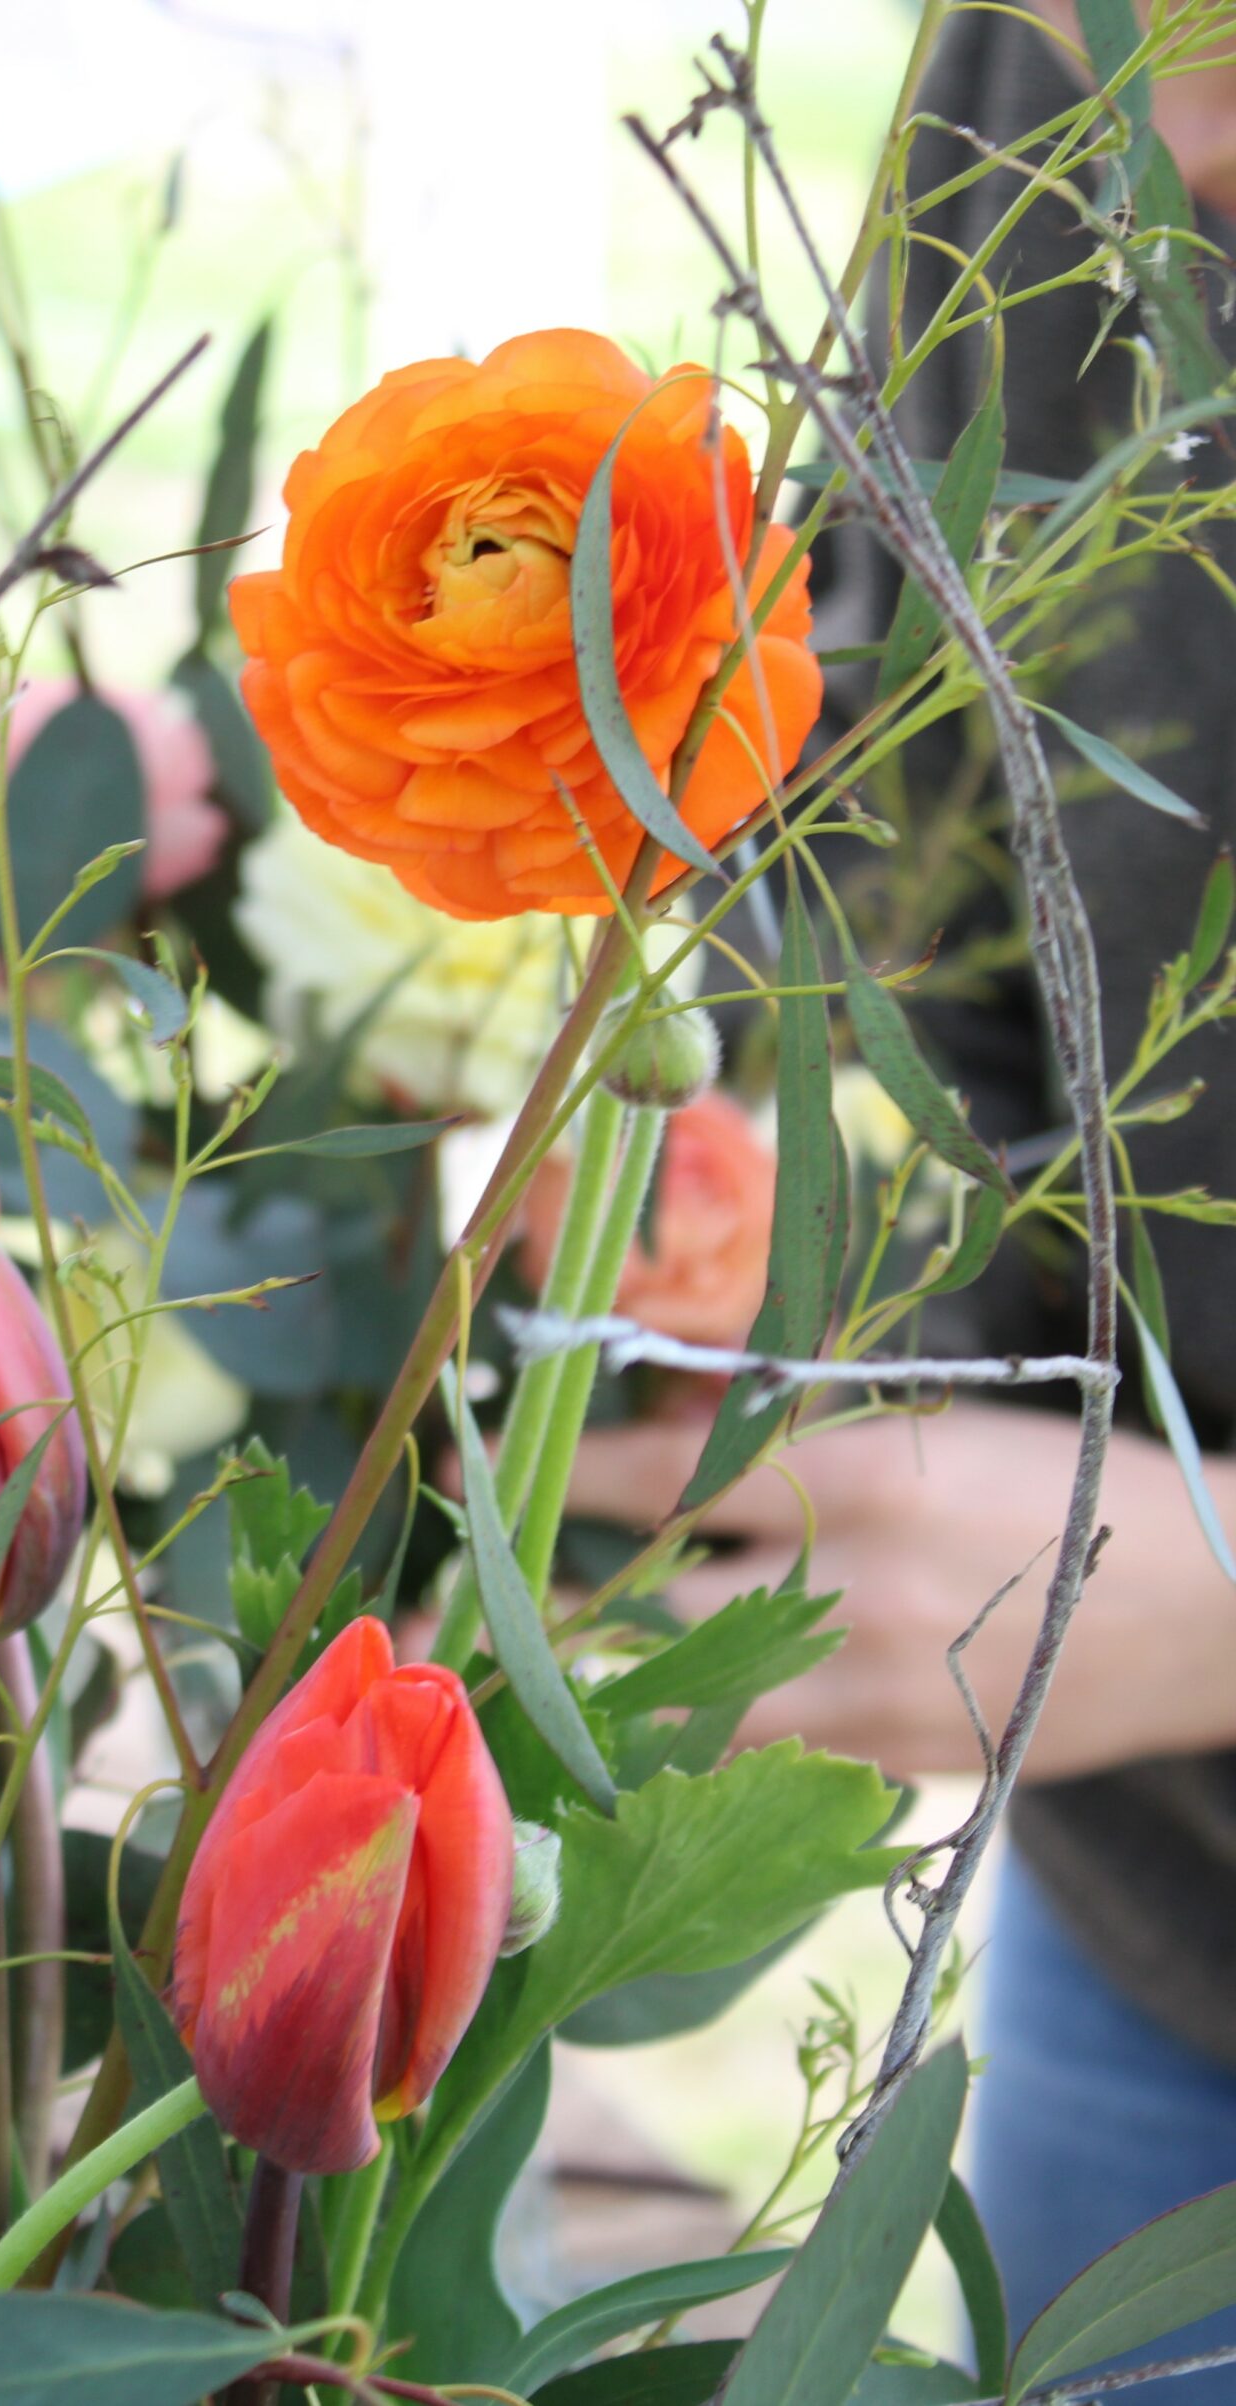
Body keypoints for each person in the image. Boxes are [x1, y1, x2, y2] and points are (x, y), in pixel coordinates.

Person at [571, 5, 1236, 2388]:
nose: (1156, 134)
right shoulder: (1036, 62)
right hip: (1154, 1912)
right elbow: (933, 848)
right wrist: (790, 1280)